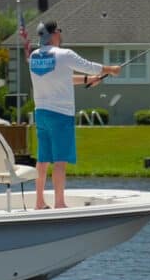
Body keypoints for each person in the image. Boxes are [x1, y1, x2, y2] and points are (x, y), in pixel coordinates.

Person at [28, 20, 121, 210]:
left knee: (43, 159)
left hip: (41, 113)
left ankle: (39, 202)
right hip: (61, 115)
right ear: (54, 34)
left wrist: (88, 80)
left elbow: (62, 77)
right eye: (59, 31)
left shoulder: (34, 57)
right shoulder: (65, 54)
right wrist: (110, 69)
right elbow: (88, 66)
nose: (61, 35)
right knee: (60, 161)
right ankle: (60, 203)